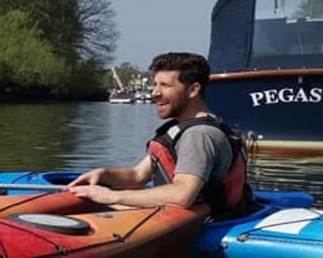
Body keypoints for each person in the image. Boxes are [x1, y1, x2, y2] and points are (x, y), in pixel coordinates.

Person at [68, 52, 254, 217]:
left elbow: (182, 195)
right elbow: (137, 175)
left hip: (201, 224)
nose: (155, 93)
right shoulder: (188, 129)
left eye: (165, 85)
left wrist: (111, 196)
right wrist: (103, 174)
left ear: (193, 90)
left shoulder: (198, 136)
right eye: (155, 84)